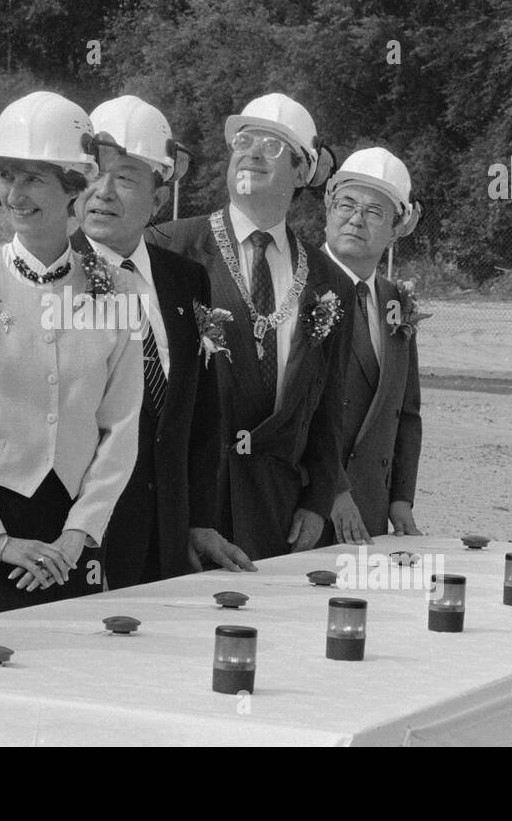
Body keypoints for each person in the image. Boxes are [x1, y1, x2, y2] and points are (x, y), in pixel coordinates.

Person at [0, 92, 142, 622]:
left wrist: (79, 534)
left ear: (75, 187)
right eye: (8, 175)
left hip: (70, 537)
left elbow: (121, 425)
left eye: (33, 178)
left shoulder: (115, 292)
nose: (14, 194)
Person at [148, 93, 371, 560]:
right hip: (186, 507)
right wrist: (188, 516)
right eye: (243, 141)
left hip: (280, 514)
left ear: (301, 171)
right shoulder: (169, 248)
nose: (250, 152)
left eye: (271, 145)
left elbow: (330, 408)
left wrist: (317, 501)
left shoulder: (331, 283)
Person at [72, 95, 255, 587]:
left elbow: (199, 416)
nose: (102, 192)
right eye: (92, 174)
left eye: (126, 178)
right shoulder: (53, 278)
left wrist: (197, 520)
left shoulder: (185, 280)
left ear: (157, 198)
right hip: (81, 539)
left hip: (166, 537)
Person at [322, 148, 424, 538]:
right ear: (328, 209)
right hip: (306, 508)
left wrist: (400, 500)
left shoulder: (396, 301)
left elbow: (405, 412)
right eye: (346, 204)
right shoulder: (296, 287)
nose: (355, 219)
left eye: (374, 212)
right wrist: (331, 488)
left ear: (397, 228)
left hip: (372, 513)